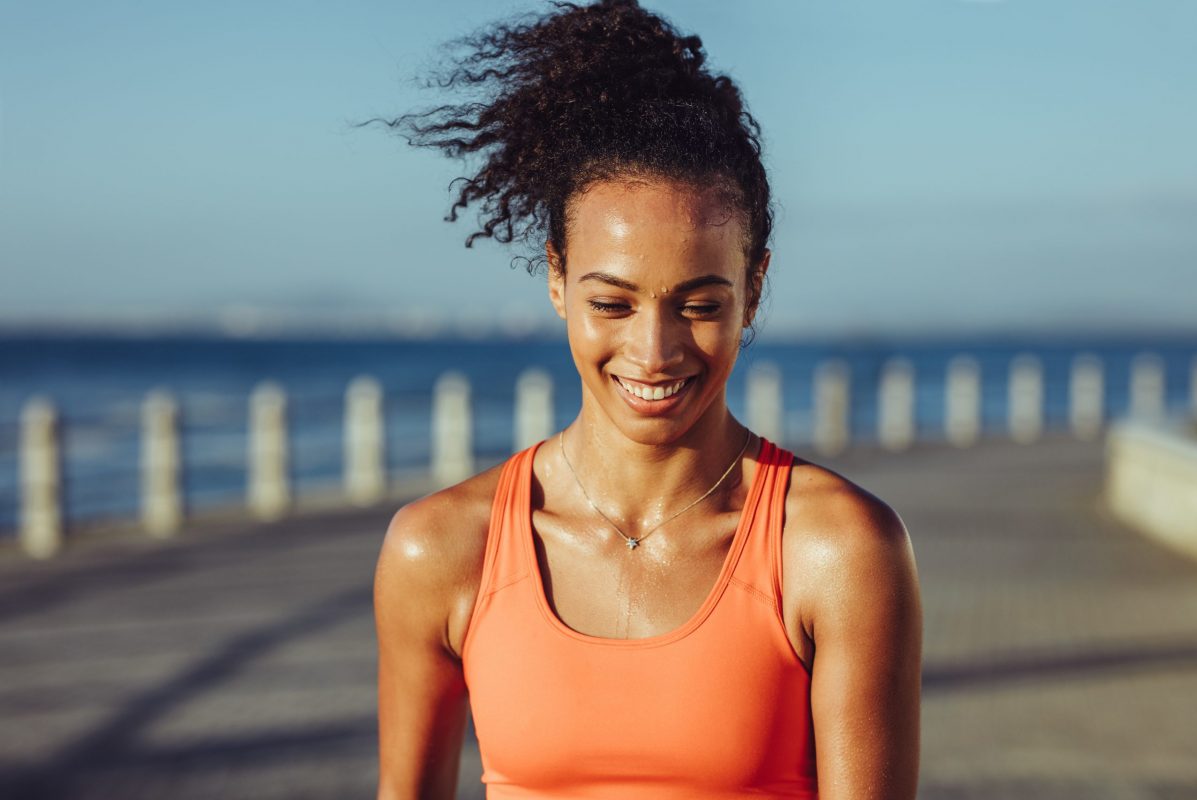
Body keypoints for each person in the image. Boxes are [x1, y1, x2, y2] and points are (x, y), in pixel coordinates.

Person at [372, 1, 922, 797]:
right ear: (557, 277)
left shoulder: (836, 551)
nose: (654, 352)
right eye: (612, 304)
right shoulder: (441, 549)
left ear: (754, 287)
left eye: (699, 305)